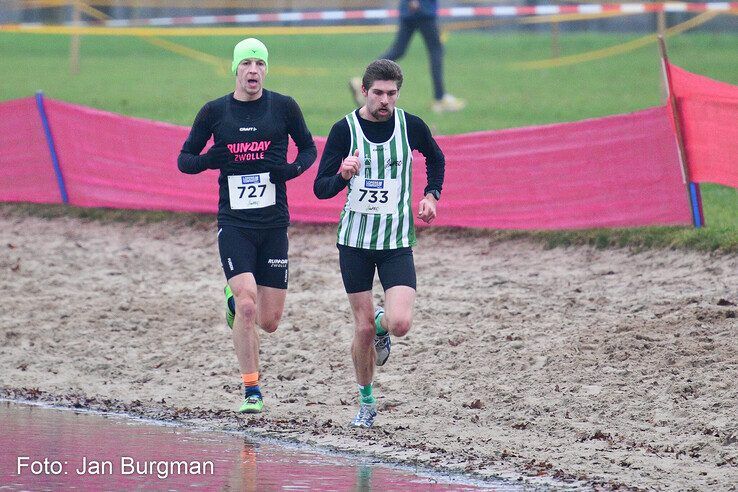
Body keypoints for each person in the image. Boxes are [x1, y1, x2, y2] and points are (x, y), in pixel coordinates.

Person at [178, 38, 317, 414]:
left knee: (269, 322)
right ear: (235, 69)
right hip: (234, 223)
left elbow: (309, 149)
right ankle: (252, 392)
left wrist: (291, 171)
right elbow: (184, 160)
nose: (252, 70)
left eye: (259, 63)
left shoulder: (284, 107)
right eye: (246, 64)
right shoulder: (215, 112)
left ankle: (232, 303)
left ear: (266, 70)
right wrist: (210, 159)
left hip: (273, 225)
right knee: (248, 305)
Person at [315, 59, 445, 428]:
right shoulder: (345, 130)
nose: (385, 100)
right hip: (354, 243)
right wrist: (342, 174)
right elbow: (320, 188)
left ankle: (382, 327)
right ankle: (367, 402)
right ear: (364, 91)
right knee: (363, 330)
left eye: (391, 94)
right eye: (378, 93)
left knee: (400, 322)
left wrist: (431, 195)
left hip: (395, 241)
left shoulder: (410, 125)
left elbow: (436, 158)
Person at [349, 0, 465, 113]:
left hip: (411, 10)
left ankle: (363, 81)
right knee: (436, 50)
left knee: (398, 50)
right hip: (422, 9)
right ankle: (440, 99)